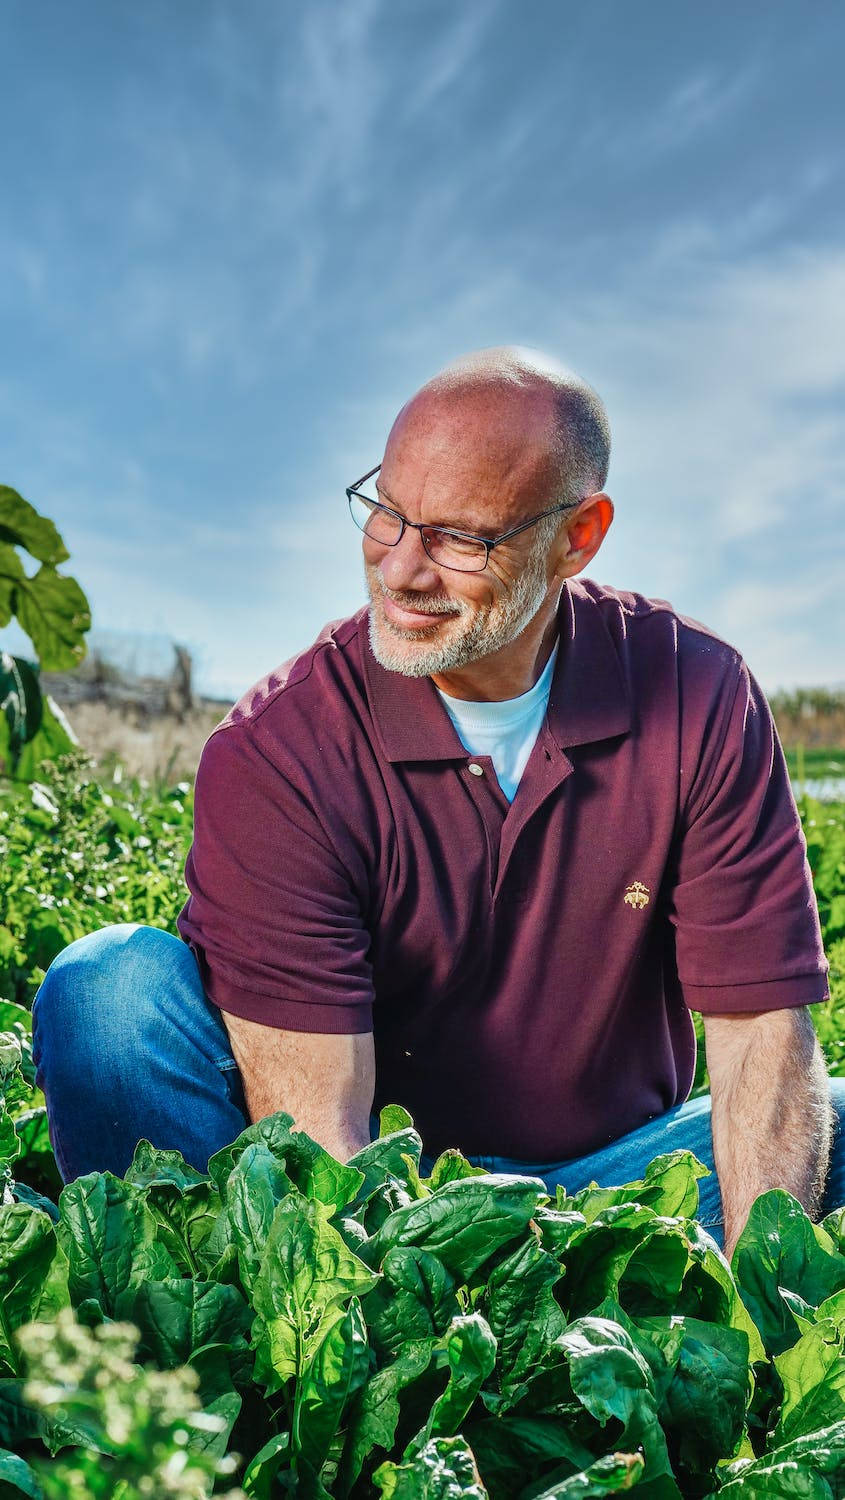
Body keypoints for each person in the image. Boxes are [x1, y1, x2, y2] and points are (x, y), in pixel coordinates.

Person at [33, 346, 838, 1256]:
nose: (401, 572)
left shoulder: (696, 693)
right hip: (387, 1197)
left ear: (577, 536)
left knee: (827, 1118)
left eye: (460, 538)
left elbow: (760, 1028)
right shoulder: (282, 749)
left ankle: (635, 1290)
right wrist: (399, 1313)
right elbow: (318, 1136)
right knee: (105, 991)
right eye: (387, 515)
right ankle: (198, 1322)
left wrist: (756, 1300)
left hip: (617, 1182)